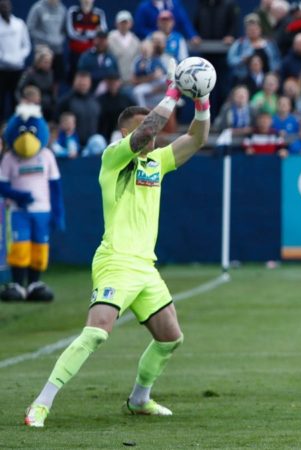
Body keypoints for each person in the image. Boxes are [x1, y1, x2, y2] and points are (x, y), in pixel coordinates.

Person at [24, 57, 212, 427]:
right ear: (125, 133)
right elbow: (144, 133)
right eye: (144, 129)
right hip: (115, 261)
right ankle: (41, 404)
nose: (153, 135)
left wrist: (202, 100)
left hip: (145, 267)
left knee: (170, 338)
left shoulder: (156, 162)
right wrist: (174, 91)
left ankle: (139, 399)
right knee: (96, 333)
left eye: (154, 131)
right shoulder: (114, 158)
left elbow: (197, 138)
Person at [0, 92, 63, 302]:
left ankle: (34, 283)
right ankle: (18, 284)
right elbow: (2, 184)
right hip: (18, 211)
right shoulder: (9, 158)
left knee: (39, 247)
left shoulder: (47, 156)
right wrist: (17, 196)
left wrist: (58, 213)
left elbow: (55, 186)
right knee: (20, 247)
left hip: (42, 211)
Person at [55, 71, 105, 153]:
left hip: (91, 147)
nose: (83, 85)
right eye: (80, 83)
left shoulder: (95, 101)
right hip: (72, 146)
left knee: (99, 140)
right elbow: (57, 122)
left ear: (89, 83)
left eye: (85, 83)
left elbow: (101, 122)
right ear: (75, 82)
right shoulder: (65, 101)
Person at [0, 0, 31, 120]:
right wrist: (5, 58)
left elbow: (26, 45)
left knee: (16, 98)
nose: (5, 9)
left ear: (11, 7)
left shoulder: (19, 24)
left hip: (18, 69)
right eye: (2, 7)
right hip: (2, 69)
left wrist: (19, 57)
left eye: (7, 6)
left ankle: (15, 123)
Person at [228, 14, 282, 82]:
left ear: (260, 29)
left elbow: (277, 60)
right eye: (250, 29)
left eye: (255, 28)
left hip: (267, 80)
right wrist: (241, 60)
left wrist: (274, 74)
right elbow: (230, 60)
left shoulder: (269, 43)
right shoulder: (239, 43)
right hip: (244, 79)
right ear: (246, 31)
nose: (253, 31)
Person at [26, 0, 67, 84]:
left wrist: (59, 39)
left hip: (57, 50)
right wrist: (47, 38)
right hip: (42, 51)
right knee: (39, 78)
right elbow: (30, 29)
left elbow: (64, 30)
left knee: (56, 79)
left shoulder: (62, 9)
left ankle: (53, 97)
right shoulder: (38, 7)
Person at [66, 0, 107, 83]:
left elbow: (103, 32)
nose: (86, 1)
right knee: (74, 78)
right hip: (75, 52)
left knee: (92, 78)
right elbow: (71, 33)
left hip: (92, 53)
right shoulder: (73, 11)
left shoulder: (99, 13)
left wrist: (82, 32)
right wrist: (93, 32)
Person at [17, 46, 57, 121]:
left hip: (47, 107)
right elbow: (19, 90)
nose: (48, 65)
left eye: (49, 62)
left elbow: (52, 92)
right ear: (38, 61)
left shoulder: (51, 73)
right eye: (45, 62)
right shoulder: (29, 73)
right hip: (32, 106)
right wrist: (22, 101)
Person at [133, 0, 199, 45]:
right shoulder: (144, 7)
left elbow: (185, 22)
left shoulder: (176, 4)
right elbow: (139, 28)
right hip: (153, 44)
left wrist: (192, 35)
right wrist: (153, 35)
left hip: (173, 42)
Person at [98, 74, 137, 142]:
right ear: (106, 83)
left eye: (115, 81)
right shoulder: (100, 100)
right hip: (106, 132)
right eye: (110, 82)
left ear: (119, 82)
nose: (113, 84)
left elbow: (135, 113)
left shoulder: (126, 98)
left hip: (125, 131)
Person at [108, 11, 142, 85]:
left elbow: (138, 61)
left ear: (131, 24)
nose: (123, 25)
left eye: (126, 23)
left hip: (130, 80)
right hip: (113, 80)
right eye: (121, 23)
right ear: (116, 24)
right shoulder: (109, 38)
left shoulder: (136, 41)